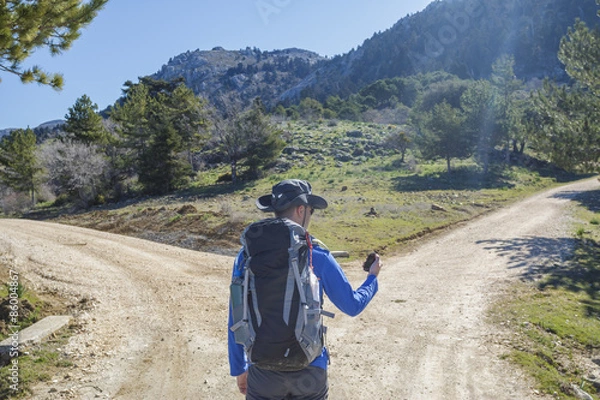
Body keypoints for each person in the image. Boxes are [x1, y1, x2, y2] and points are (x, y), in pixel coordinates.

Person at [228, 179, 383, 400]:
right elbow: (352, 305)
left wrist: (239, 368)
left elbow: (235, 315)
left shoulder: (246, 256)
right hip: (310, 368)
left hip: (262, 371)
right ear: (302, 210)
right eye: (311, 210)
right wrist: (372, 278)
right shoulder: (316, 253)